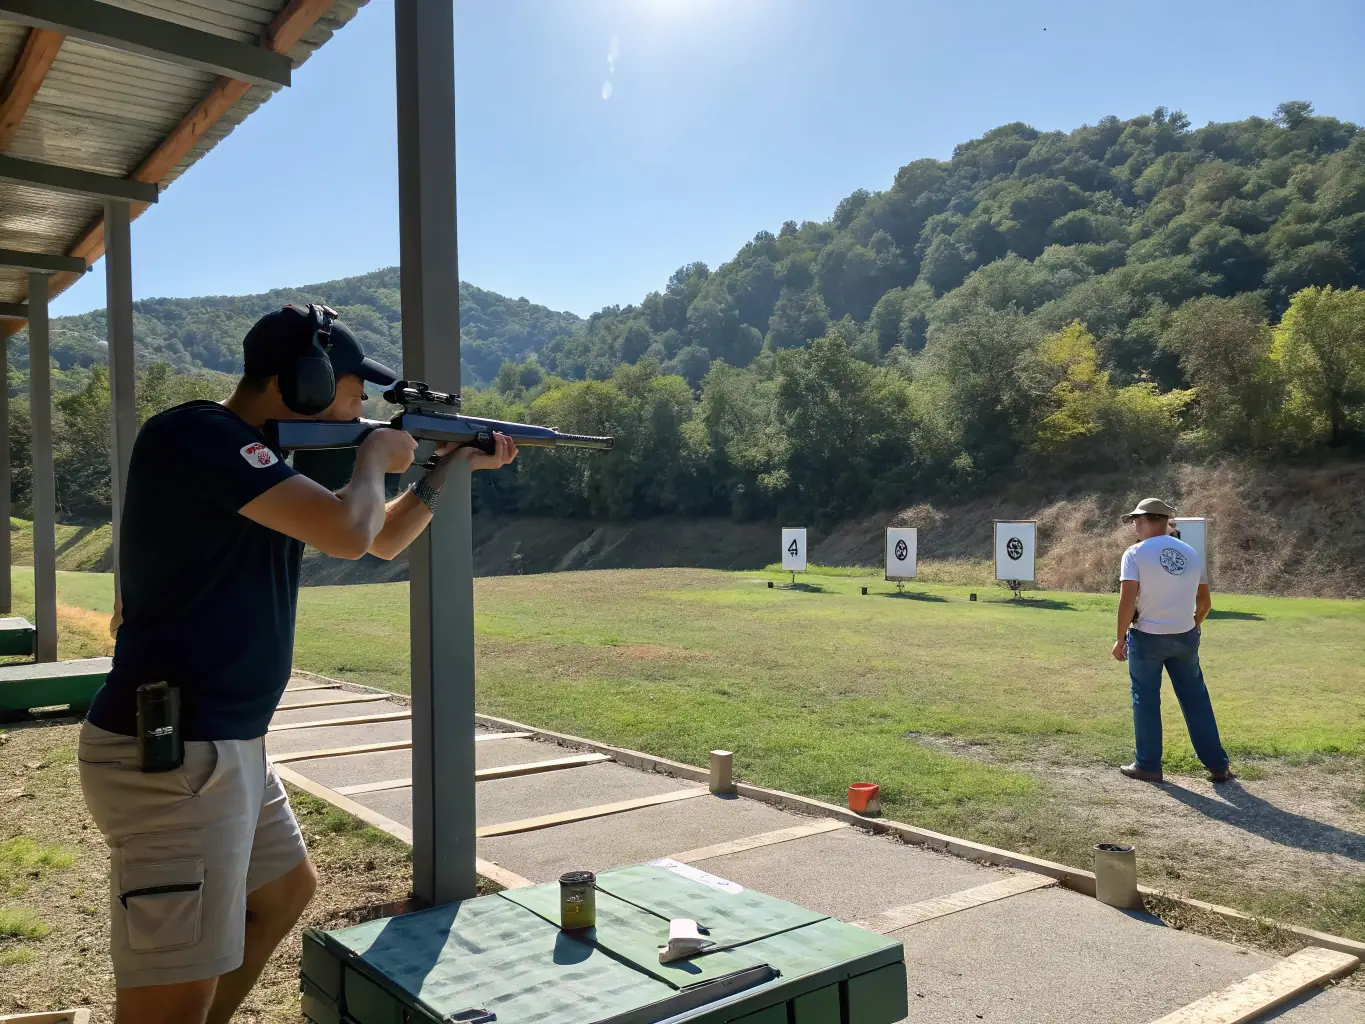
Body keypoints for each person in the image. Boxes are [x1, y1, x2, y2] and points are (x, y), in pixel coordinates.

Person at [78, 304, 517, 1024]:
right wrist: (373, 457)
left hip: (226, 746)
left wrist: (439, 470)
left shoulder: (260, 462)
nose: (362, 411)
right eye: (351, 394)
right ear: (304, 384)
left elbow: (374, 539)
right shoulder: (200, 434)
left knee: (284, 889)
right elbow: (351, 532)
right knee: (172, 991)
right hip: (174, 757)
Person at [1110, 498, 1233, 785]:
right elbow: (1205, 601)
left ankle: (1148, 765)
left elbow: (1127, 601)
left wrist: (1119, 638)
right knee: (1196, 700)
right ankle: (1218, 765)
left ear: (1144, 521)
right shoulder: (1191, 553)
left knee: (1146, 700)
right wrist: (1193, 625)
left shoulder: (1135, 553)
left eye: (1136, 521)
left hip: (1148, 636)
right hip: (1185, 635)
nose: (1134, 526)